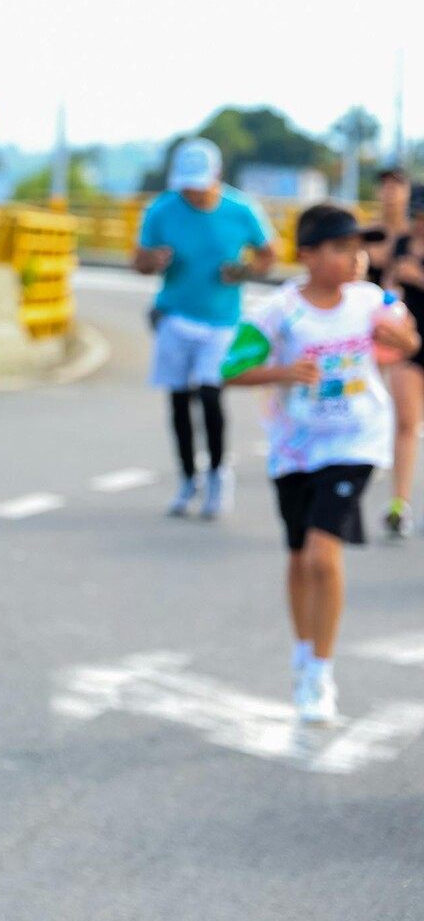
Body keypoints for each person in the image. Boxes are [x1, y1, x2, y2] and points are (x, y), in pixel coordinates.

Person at [224, 204, 418, 724]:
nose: (355, 258)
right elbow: (230, 369)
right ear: (307, 255)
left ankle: (321, 673)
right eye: (340, 248)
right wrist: (284, 372)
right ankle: (302, 651)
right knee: (298, 559)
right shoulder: (278, 312)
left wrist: (402, 339)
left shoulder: (372, 300)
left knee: (321, 555)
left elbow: (411, 340)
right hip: (295, 448)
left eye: (359, 248)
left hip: (357, 441)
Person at [134, 137, 278, 519]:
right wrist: (153, 261)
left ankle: (217, 475)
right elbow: (139, 261)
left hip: (222, 320)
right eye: (187, 185)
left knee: (211, 395)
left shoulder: (241, 209)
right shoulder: (161, 209)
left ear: (217, 175)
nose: (193, 193)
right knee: (179, 401)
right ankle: (188, 478)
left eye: (199, 184)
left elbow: (270, 255)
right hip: (175, 316)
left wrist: (244, 271)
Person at [365, 168, 420, 537]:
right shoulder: (396, 243)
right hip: (401, 341)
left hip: (408, 339)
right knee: (404, 422)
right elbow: (385, 291)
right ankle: (399, 504)